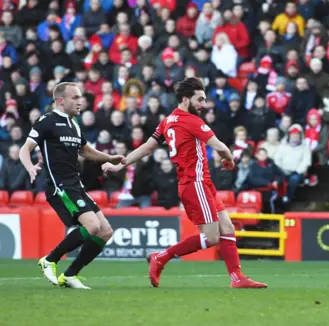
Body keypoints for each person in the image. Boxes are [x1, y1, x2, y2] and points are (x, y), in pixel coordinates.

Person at [102, 78, 266, 289]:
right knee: (212, 237)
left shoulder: (168, 121)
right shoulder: (191, 121)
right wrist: (229, 160)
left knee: (227, 228)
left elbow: (146, 147)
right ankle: (162, 256)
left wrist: (121, 164)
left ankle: (237, 277)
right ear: (186, 99)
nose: (203, 104)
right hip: (194, 183)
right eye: (200, 99)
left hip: (201, 182)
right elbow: (221, 147)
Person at [20, 82, 125, 289]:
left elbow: (85, 151)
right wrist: (29, 167)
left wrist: (109, 157)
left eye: (80, 97)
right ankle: (50, 260)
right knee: (92, 226)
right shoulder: (46, 121)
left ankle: (70, 275)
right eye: (75, 98)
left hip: (76, 185)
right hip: (59, 186)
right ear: (61, 100)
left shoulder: (74, 123)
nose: (80, 101)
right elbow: (25, 148)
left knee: (105, 231)